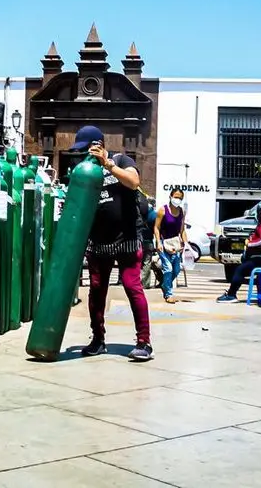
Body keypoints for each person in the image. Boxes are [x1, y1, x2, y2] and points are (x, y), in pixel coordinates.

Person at [72, 125, 154, 361]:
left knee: (131, 285)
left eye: (86, 148)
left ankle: (144, 342)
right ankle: (98, 339)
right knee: (97, 290)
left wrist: (109, 165)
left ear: (99, 145)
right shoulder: (83, 170)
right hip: (98, 241)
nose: (83, 154)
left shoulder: (121, 160)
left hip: (126, 237)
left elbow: (134, 181)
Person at [216, 203, 261, 303]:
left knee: (240, 270)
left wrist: (249, 243)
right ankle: (259, 295)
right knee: (245, 267)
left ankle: (231, 294)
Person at [154, 188, 188, 303]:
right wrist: (158, 242)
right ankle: (168, 294)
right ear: (170, 196)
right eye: (176, 197)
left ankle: (164, 284)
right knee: (168, 269)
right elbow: (156, 227)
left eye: (180, 198)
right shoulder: (162, 210)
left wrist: (186, 243)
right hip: (164, 243)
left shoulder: (181, 211)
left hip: (176, 244)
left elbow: (182, 229)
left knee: (176, 269)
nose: (177, 199)